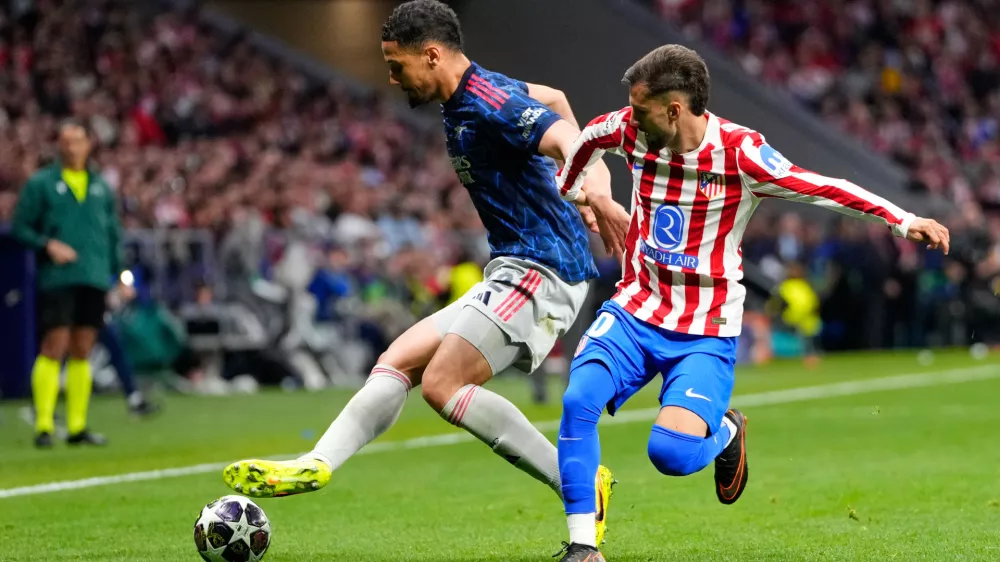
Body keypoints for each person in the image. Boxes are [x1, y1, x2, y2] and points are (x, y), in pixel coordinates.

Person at [221, 0, 632, 547]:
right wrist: (576, 190)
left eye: (397, 65)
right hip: (512, 267)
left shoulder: (488, 101)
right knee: (397, 360)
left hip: (544, 268)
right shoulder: (471, 92)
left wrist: (594, 192)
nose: (392, 78)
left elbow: (563, 135)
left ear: (433, 55)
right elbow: (554, 98)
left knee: (442, 384)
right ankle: (315, 464)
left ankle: (576, 482)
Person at [551, 44, 950, 561]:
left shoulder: (740, 152)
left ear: (675, 109)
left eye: (642, 109)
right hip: (637, 307)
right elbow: (583, 143)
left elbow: (822, 186)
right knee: (576, 401)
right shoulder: (626, 130)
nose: (631, 117)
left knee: (669, 454)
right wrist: (584, 195)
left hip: (705, 328)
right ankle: (584, 548)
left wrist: (902, 220)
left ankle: (725, 431)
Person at [11, 121, 123, 447]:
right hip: (58, 277)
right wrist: (48, 245)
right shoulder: (42, 183)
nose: (69, 147)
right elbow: (20, 227)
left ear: (89, 144)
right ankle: (43, 424)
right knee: (54, 345)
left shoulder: (101, 185)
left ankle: (77, 426)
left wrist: (120, 273)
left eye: (76, 141)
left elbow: (113, 232)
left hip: (94, 274)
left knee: (83, 348)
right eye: (64, 141)